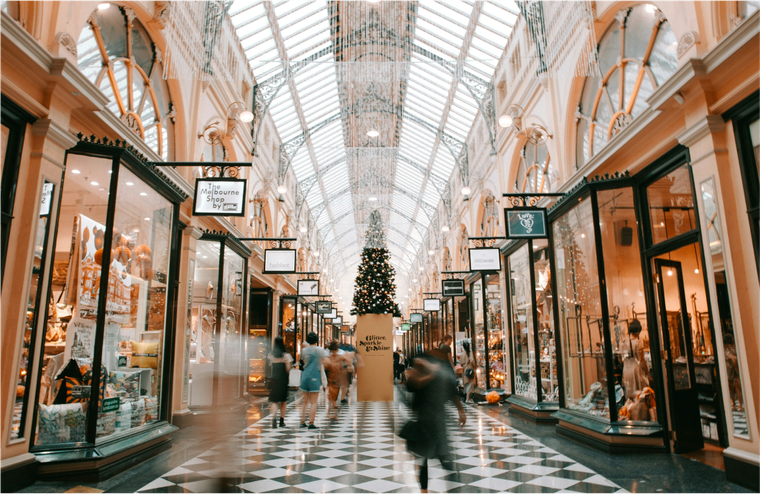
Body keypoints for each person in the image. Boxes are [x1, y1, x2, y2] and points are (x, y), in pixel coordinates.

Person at [404, 354, 467, 494]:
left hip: (434, 424)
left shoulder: (431, 376)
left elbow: (452, 392)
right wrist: (461, 411)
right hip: (428, 424)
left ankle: (427, 491)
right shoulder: (423, 377)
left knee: (438, 460)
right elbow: (412, 386)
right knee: (431, 460)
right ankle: (425, 491)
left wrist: (461, 411)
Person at [299, 332, 326, 429]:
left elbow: (303, 362)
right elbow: (323, 362)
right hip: (315, 376)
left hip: (305, 376)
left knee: (305, 401)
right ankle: (311, 423)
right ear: (316, 340)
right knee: (313, 402)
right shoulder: (320, 350)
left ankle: (302, 422)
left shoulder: (303, 350)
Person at [323, 340, 352, 420]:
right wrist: (344, 367)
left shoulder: (329, 358)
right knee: (333, 396)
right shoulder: (339, 357)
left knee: (333, 396)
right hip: (335, 379)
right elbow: (348, 361)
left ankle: (331, 412)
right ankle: (334, 413)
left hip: (333, 379)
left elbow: (325, 366)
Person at [268, 337, 292, 428]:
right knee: (283, 401)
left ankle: (273, 418)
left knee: (274, 401)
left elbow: (270, 367)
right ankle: (282, 421)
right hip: (283, 380)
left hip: (274, 380)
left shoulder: (271, 355)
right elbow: (288, 368)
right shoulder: (286, 356)